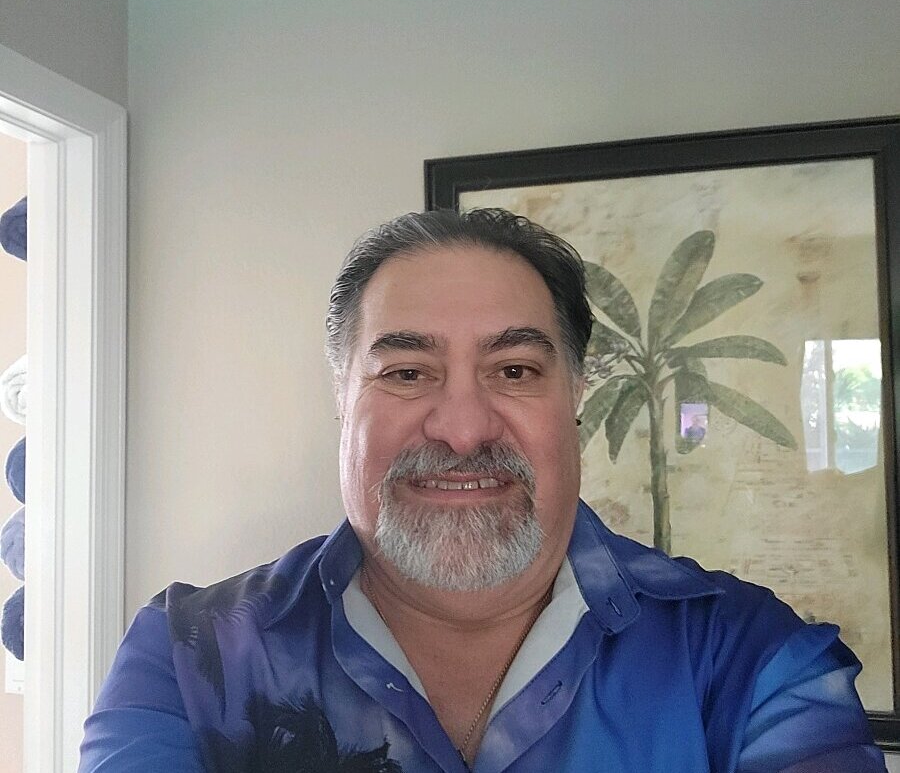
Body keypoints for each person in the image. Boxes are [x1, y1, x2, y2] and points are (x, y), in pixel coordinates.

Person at [79, 208, 886, 772]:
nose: (462, 429)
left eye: (515, 370)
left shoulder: (751, 666)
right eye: (406, 372)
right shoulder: (192, 662)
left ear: (573, 395)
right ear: (342, 399)